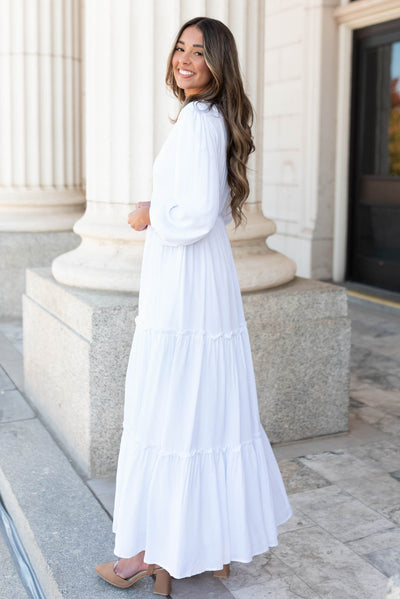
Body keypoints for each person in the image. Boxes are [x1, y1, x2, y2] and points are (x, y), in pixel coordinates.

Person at [95, 16, 292, 596]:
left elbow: (196, 213)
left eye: (198, 52)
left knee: (170, 407)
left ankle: (151, 555)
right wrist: (159, 202)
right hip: (195, 281)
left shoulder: (200, 123)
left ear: (217, 64)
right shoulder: (202, 119)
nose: (184, 59)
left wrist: (149, 213)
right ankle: (209, 543)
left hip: (185, 286)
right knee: (199, 407)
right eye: (180, 48)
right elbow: (197, 200)